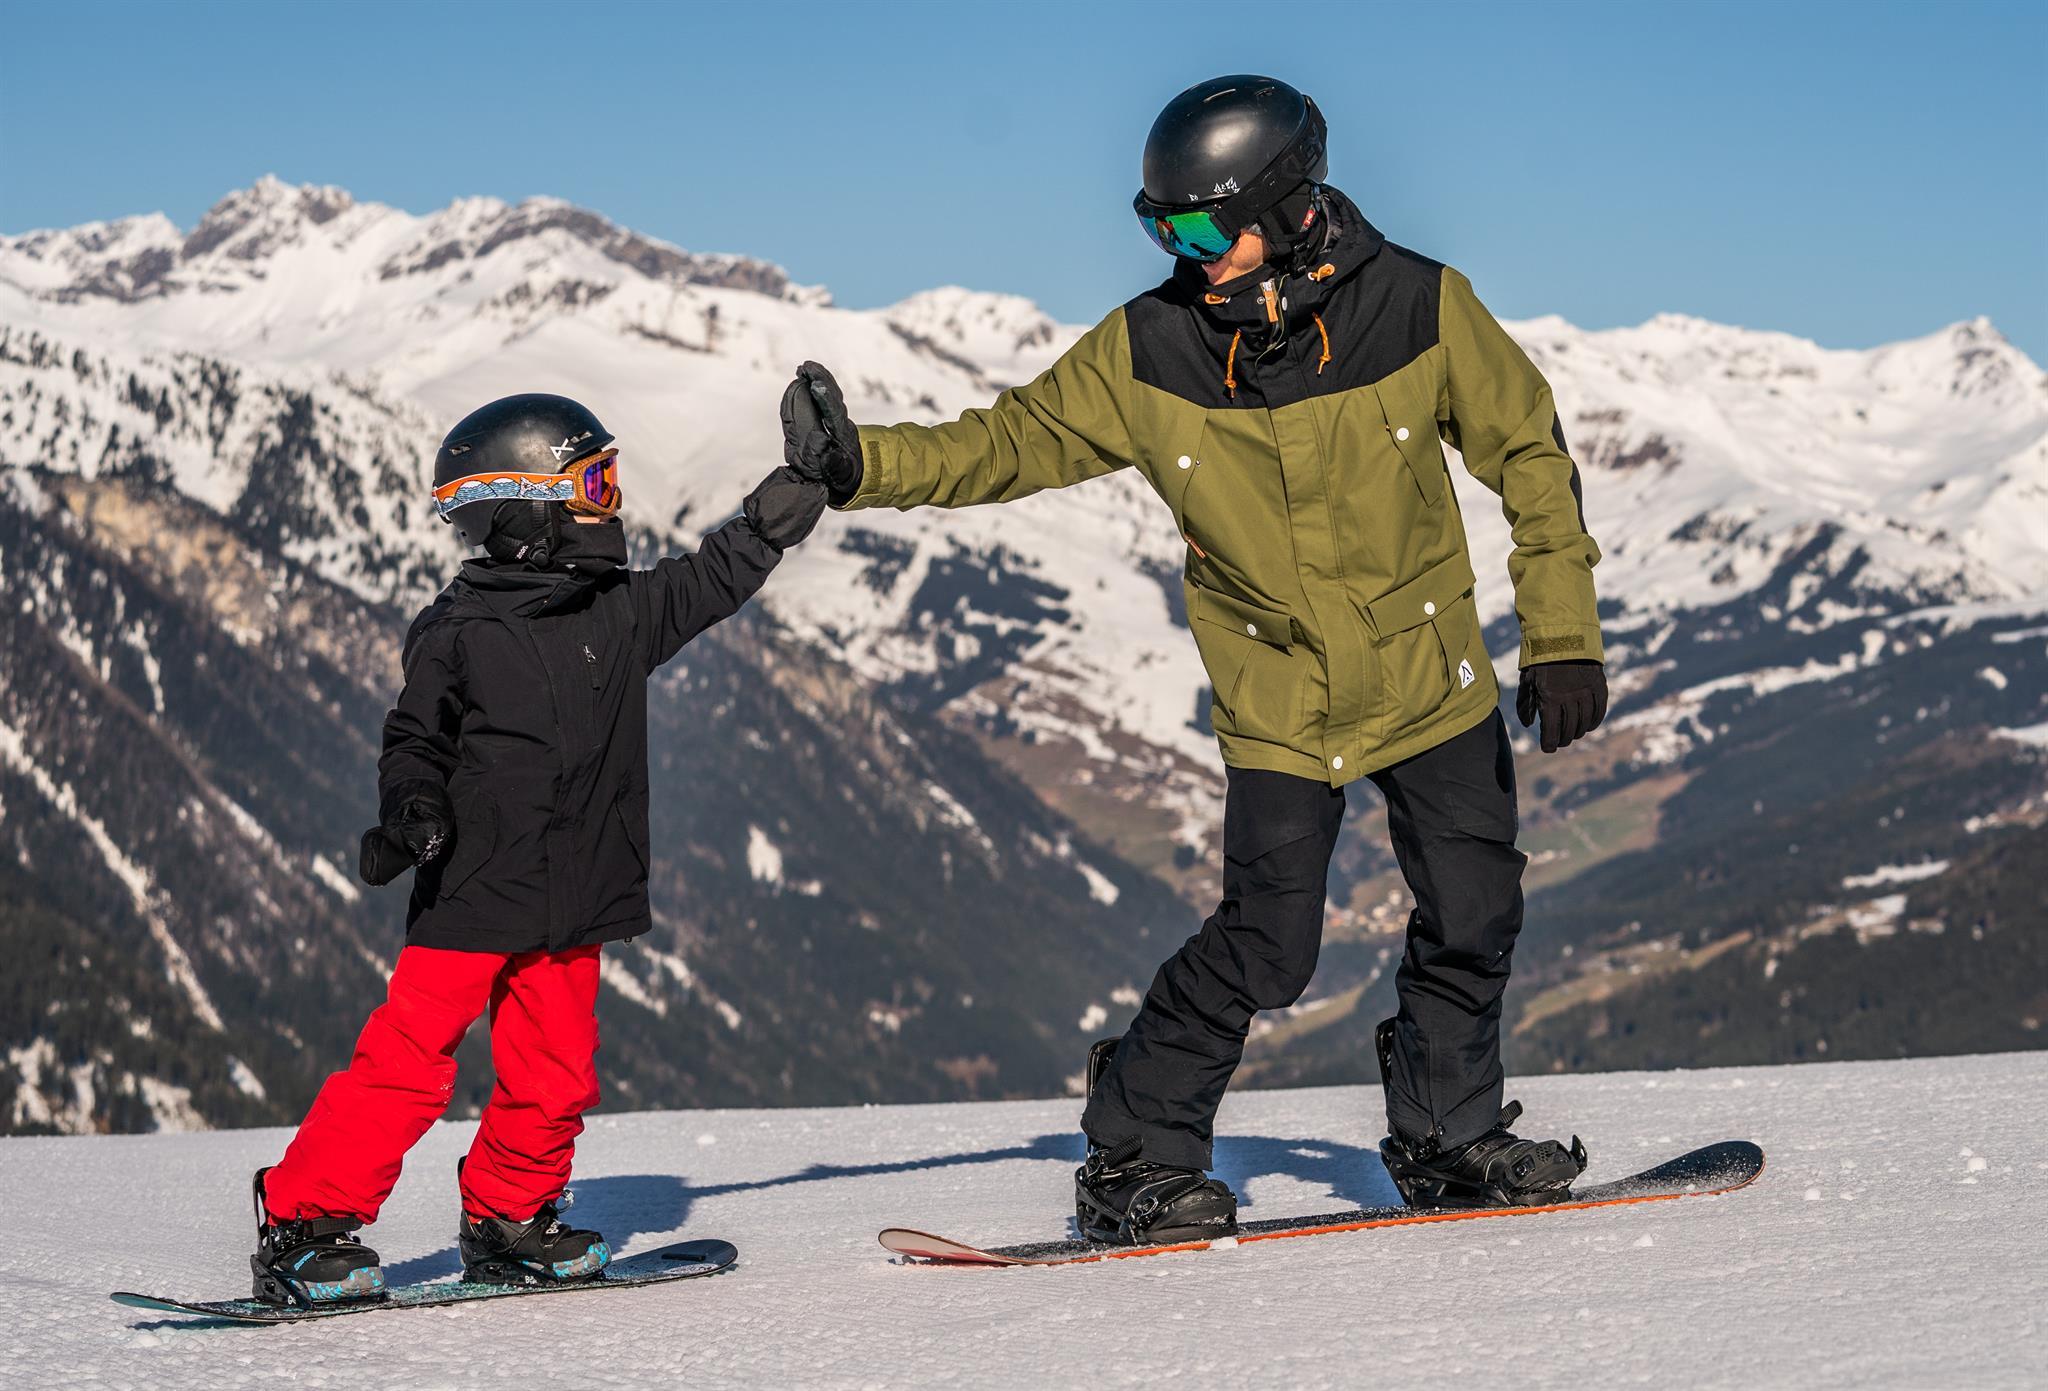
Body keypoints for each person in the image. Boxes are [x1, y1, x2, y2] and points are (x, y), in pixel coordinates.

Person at [780, 75, 1607, 1244]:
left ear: (1295, 206)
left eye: (1205, 227)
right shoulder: (1150, 347)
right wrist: (859, 464)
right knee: (1269, 946)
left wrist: (1561, 631)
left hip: (1430, 682)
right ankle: (1134, 1149)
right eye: (1160, 227)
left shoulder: (1420, 307)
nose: (1185, 251)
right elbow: (1004, 444)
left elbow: (1529, 452)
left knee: (1474, 909)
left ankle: (1447, 1134)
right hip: (1280, 702)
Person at [247, 394, 826, 1305]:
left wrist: (787, 501)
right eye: (593, 483)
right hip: (475, 889)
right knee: (406, 1064)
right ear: (526, 507)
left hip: (573, 896)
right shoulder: (459, 632)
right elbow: (415, 738)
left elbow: (714, 578)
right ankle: (304, 1220)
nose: (612, 502)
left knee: (555, 1069)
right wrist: (412, 809)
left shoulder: (619, 612)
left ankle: (509, 1217)